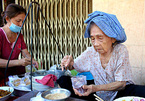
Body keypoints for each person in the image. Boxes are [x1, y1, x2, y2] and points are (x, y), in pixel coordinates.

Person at [59, 11, 145, 101]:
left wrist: (95, 88)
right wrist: (68, 62)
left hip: (120, 92)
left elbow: (121, 84)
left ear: (113, 38)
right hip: (99, 95)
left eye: (100, 38)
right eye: (92, 39)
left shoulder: (120, 50)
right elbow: (72, 66)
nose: (95, 44)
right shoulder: (91, 52)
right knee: (63, 80)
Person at [0, 3, 39, 86]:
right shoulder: (0, 35)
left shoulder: (19, 35)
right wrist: (18, 62)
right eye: (18, 21)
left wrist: (32, 60)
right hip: (2, 77)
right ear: (7, 19)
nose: (21, 25)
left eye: (23, 21)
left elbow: (25, 52)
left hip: (15, 76)